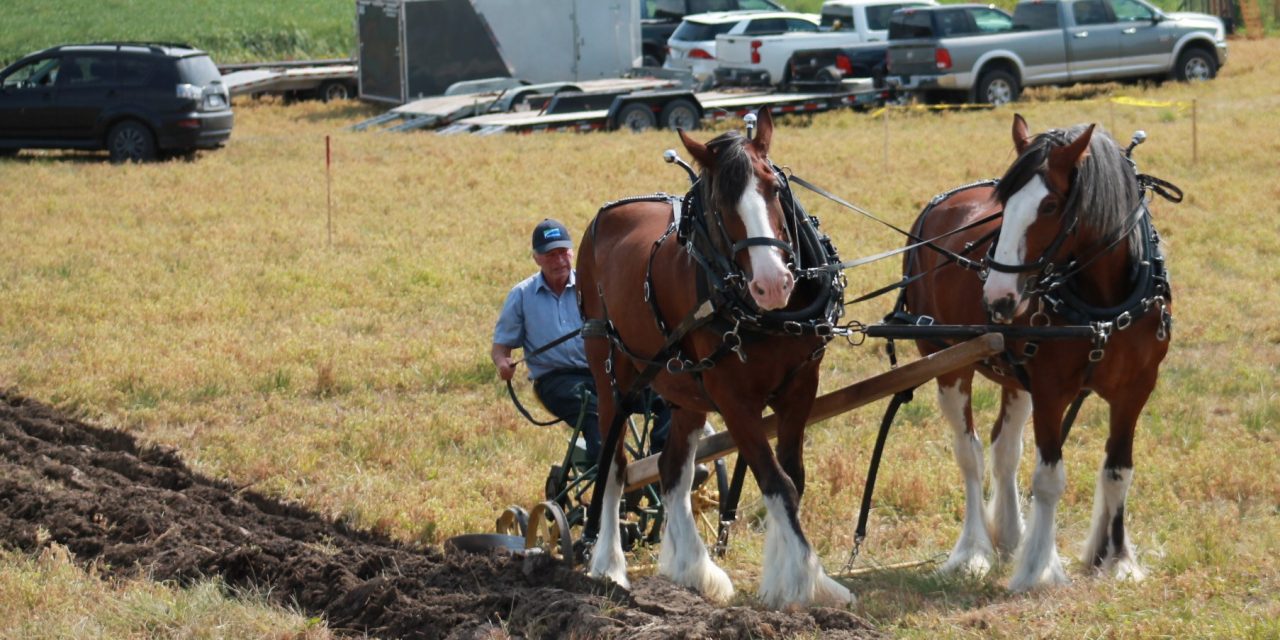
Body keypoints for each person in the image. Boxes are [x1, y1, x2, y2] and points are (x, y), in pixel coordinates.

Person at [492, 218, 670, 461]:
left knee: (667, 394)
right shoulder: (522, 295)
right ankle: (609, 480)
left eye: (563, 253)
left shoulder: (594, 286)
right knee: (596, 413)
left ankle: (662, 462)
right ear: (536, 258)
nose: (559, 261)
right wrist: (503, 363)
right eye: (550, 255)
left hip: (605, 371)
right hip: (557, 381)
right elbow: (501, 346)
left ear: (572, 252)